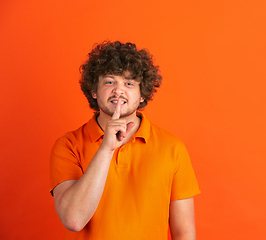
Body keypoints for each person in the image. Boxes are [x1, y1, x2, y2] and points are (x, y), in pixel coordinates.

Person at [49, 41, 200, 240]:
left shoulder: (172, 147)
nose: (118, 90)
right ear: (94, 91)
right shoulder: (68, 145)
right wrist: (105, 149)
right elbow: (73, 219)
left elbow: (184, 233)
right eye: (110, 82)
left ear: (142, 96)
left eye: (129, 83)